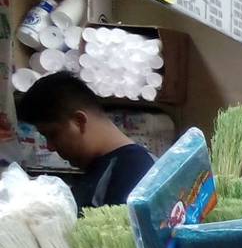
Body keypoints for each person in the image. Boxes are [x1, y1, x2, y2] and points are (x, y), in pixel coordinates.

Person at [16, 71, 155, 210]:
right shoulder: (100, 168)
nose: (50, 146)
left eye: (53, 134)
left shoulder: (137, 171)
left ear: (79, 121)